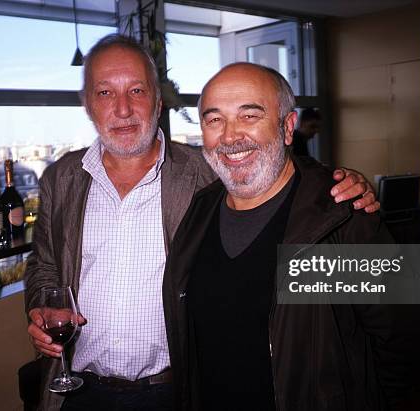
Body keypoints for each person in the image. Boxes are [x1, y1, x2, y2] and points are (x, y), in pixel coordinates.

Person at [24, 34, 379, 411]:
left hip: (175, 391)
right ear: (87, 105)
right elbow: (44, 266)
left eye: (137, 91)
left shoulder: (207, 174)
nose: (123, 109)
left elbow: (268, 169)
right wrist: (40, 307)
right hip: (81, 390)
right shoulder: (60, 179)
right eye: (105, 93)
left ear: (158, 101)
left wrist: (334, 182)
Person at [162, 63, 420, 411]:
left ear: (288, 128)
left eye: (249, 116)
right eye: (214, 120)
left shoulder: (339, 217)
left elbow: (403, 342)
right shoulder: (200, 210)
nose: (229, 137)